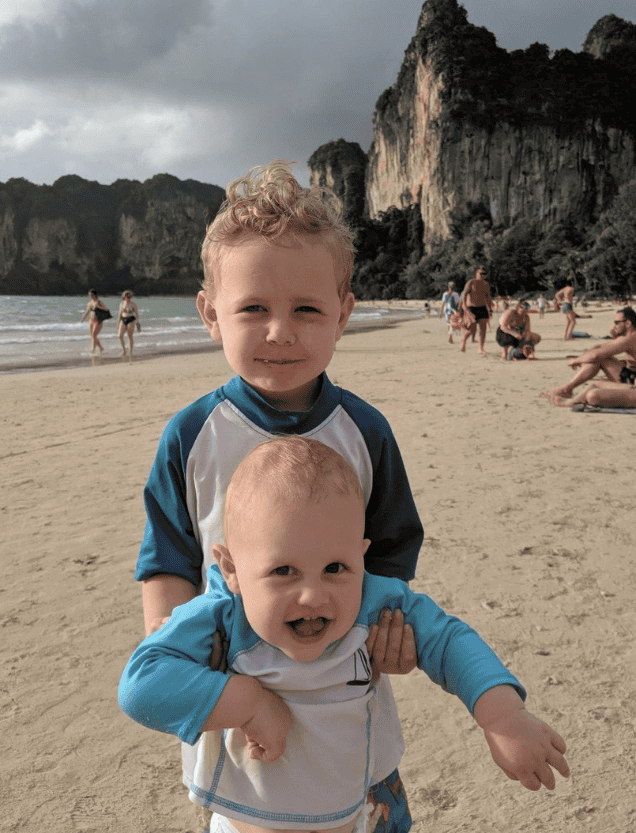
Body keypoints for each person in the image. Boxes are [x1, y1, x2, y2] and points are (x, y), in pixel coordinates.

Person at [135, 161, 424, 832]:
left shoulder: (365, 433)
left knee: (365, 808)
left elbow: (392, 545)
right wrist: (171, 646)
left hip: (344, 690)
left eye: (306, 310)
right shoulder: (192, 435)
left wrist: (385, 629)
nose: (280, 331)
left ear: (343, 313)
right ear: (211, 314)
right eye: (254, 309)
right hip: (236, 690)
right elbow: (168, 557)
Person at [120, 437, 570, 833]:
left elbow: (449, 641)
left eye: (336, 568)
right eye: (283, 571)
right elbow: (141, 685)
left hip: (359, 810)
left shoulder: (374, 599)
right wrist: (249, 702)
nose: (313, 594)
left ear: (361, 555)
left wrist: (503, 717)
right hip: (251, 818)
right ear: (232, 569)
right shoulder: (218, 617)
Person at [550, 311, 636, 413]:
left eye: (617, 322)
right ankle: (571, 401)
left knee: (593, 395)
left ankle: (568, 401)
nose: (615, 325)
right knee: (595, 384)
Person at [541, 307, 636, 399]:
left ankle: (567, 388)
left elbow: (596, 355)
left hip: (635, 382)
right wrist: (584, 357)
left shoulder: (629, 339)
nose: (614, 325)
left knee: (600, 358)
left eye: (617, 322)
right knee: (598, 356)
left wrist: (576, 360)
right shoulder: (633, 336)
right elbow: (601, 347)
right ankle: (568, 388)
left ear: (628, 323)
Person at [459, 266, 493, 355]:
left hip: (482, 308)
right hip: (471, 308)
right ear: (476, 274)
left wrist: (490, 309)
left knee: (483, 329)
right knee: (471, 329)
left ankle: (480, 349)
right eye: (481, 273)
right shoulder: (471, 282)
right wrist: (465, 308)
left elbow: (488, 298)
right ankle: (464, 340)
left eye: (484, 274)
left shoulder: (486, 285)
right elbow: (464, 295)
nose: (483, 275)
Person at [81, 288, 111, 355]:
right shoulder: (89, 303)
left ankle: (97, 348)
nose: (90, 296)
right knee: (92, 335)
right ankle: (95, 348)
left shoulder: (99, 302)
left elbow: (106, 309)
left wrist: (98, 308)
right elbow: (87, 311)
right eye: (89, 295)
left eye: (91, 295)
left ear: (95, 295)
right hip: (91, 320)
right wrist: (83, 319)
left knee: (94, 335)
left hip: (98, 320)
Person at [117, 290, 141, 360]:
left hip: (131, 319)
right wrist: (118, 323)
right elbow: (119, 314)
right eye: (126, 295)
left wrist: (137, 324)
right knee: (120, 335)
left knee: (130, 335)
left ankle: (130, 351)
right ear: (123, 297)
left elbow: (137, 314)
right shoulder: (122, 304)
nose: (127, 297)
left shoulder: (133, 304)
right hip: (123, 319)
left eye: (128, 295)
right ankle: (124, 350)